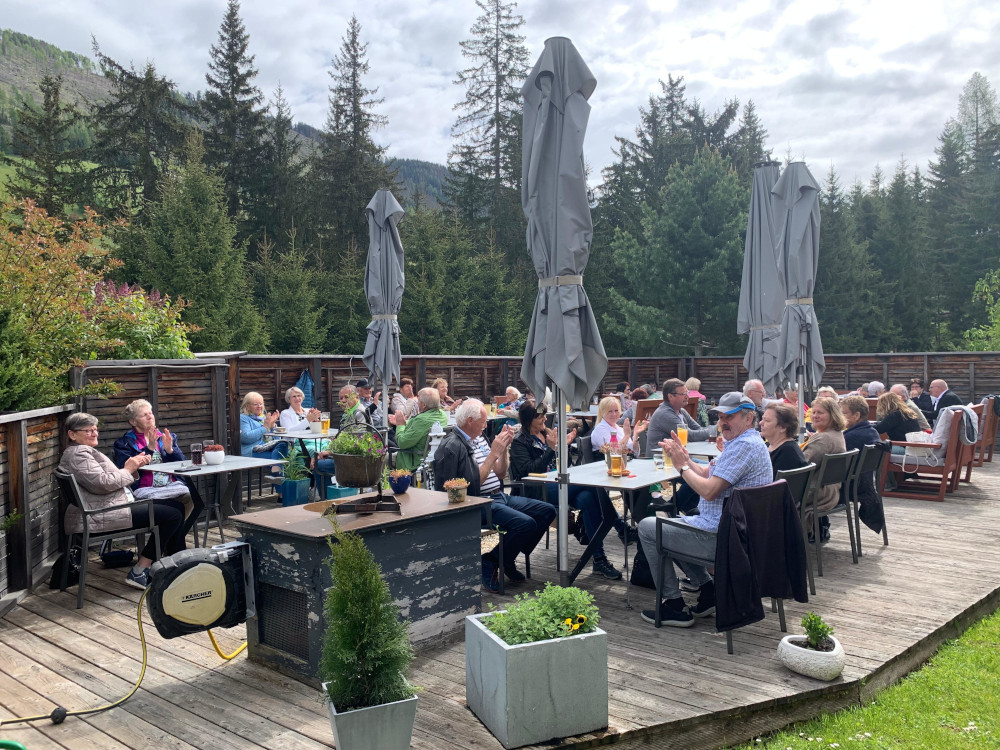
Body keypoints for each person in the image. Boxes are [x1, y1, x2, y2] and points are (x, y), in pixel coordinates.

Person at [638, 392, 772, 627]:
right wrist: (686, 459)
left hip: (727, 540)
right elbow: (707, 473)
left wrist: (681, 467)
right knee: (679, 523)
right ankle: (708, 591)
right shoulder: (745, 442)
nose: (722, 422)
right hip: (735, 533)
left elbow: (709, 491)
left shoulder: (744, 446)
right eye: (720, 417)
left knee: (648, 528)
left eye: (729, 417)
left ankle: (674, 605)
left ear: (749, 418)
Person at [433, 399, 555, 591]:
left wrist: (503, 449)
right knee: (526, 524)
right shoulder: (453, 446)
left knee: (546, 511)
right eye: (483, 421)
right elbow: (469, 487)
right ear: (470, 421)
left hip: (499, 495)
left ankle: (505, 557)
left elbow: (499, 473)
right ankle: (492, 560)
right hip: (477, 503)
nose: (486, 425)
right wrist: (493, 454)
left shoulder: (480, 437)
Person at [59, 412, 187, 589]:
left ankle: (174, 566)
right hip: (102, 514)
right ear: (72, 434)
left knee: (177, 508)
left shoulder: (79, 452)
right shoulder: (79, 455)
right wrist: (128, 469)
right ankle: (143, 569)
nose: (94, 433)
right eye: (88, 431)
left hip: (105, 507)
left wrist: (133, 466)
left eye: (95, 430)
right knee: (173, 514)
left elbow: (102, 481)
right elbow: (104, 484)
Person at [509, 402, 627, 580]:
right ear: (528, 419)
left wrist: (564, 447)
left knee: (588, 498)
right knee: (590, 484)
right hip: (537, 490)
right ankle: (620, 526)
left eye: (545, 415)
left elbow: (564, 466)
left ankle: (599, 559)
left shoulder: (547, 435)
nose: (545, 419)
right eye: (540, 416)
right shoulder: (520, 442)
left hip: (559, 485)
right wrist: (552, 449)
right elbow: (528, 471)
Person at [113, 399, 203, 539]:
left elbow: (182, 463)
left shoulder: (165, 437)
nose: (150, 416)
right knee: (176, 509)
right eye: (144, 415)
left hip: (171, 485)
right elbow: (126, 468)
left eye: (151, 413)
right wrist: (149, 448)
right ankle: (168, 543)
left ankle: (165, 541)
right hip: (144, 488)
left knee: (194, 499)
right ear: (133, 421)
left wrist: (170, 450)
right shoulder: (124, 443)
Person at [799, 396, 847, 543]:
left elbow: (802, 465)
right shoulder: (837, 434)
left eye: (820, 413)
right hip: (830, 491)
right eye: (813, 412)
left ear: (833, 415)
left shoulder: (823, 439)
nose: (815, 416)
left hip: (816, 494)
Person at [646, 379, 714, 457]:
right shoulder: (665, 414)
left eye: (687, 393)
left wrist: (713, 431)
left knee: (713, 463)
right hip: (660, 460)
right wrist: (716, 429)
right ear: (670, 396)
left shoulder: (681, 411)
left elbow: (698, 428)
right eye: (683, 394)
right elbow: (690, 436)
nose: (687, 396)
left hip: (678, 458)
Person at [393, 387, 449, 471]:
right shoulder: (442, 414)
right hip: (435, 457)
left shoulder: (421, 420)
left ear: (424, 405)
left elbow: (402, 443)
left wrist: (400, 425)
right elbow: (421, 425)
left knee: (383, 458)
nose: (417, 403)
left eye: (418, 401)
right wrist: (405, 422)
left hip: (415, 461)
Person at [239, 392, 289, 471]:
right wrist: (265, 428)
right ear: (247, 406)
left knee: (283, 444)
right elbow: (246, 437)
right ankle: (276, 474)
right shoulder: (243, 418)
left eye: (261, 404)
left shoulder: (264, 418)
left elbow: (276, 440)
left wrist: (272, 426)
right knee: (281, 459)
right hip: (252, 451)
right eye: (255, 404)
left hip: (267, 448)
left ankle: (276, 473)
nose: (259, 406)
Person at [760, 402, 808, 478]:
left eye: (767, 420)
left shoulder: (788, 453)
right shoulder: (768, 446)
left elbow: (774, 483)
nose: (760, 423)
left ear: (783, 427)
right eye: (762, 419)